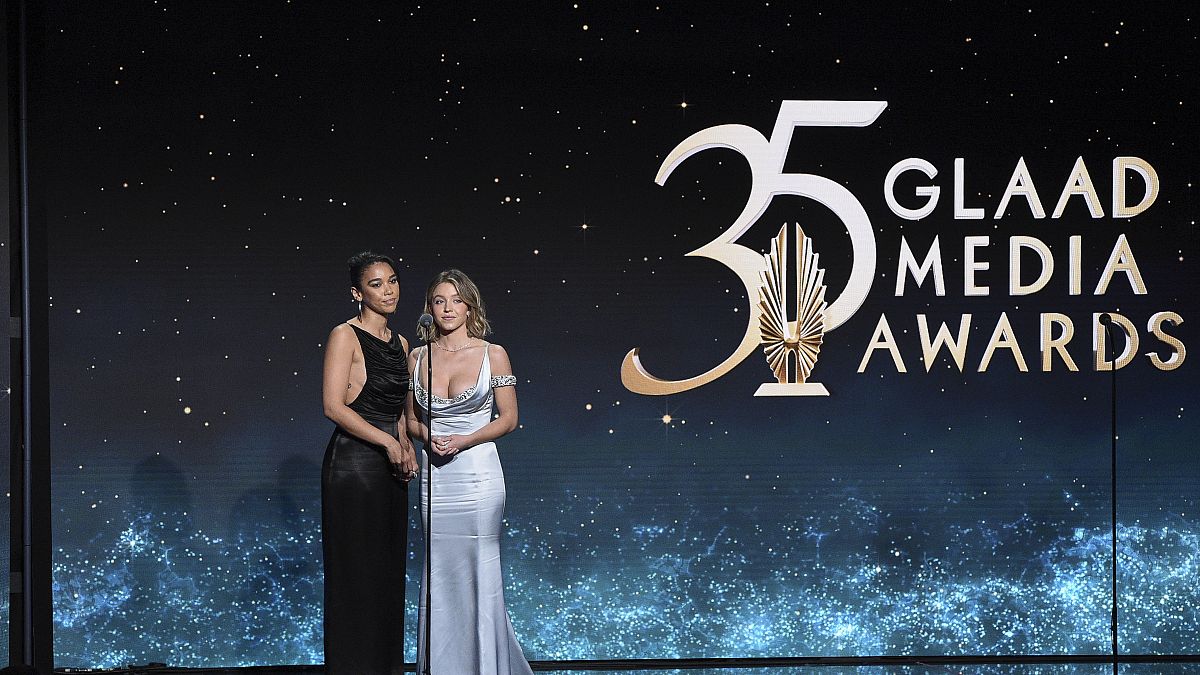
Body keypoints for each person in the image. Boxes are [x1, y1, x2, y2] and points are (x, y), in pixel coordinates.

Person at [406, 269, 533, 675]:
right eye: (439, 300)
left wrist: (464, 440)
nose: (447, 308)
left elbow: (509, 419)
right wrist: (428, 436)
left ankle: (486, 665)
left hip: (478, 475)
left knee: (480, 567)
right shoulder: (417, 357)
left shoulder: (493, 353)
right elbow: (409, 420)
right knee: (439, 570)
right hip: (436, 477)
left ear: (469, 307)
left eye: (456, 300)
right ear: (430, 308)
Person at [321, 251, 418, 675]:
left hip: (389, 468)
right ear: (357, 293)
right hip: (353, 466)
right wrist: (387, 442)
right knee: (355, 574)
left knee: (387, 572)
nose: (388, 290)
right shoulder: (344, 335)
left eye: (392, 280)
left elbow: (399, 411)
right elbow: (333, 406)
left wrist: (404, 445)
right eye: (376, 284)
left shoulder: (402, 344)